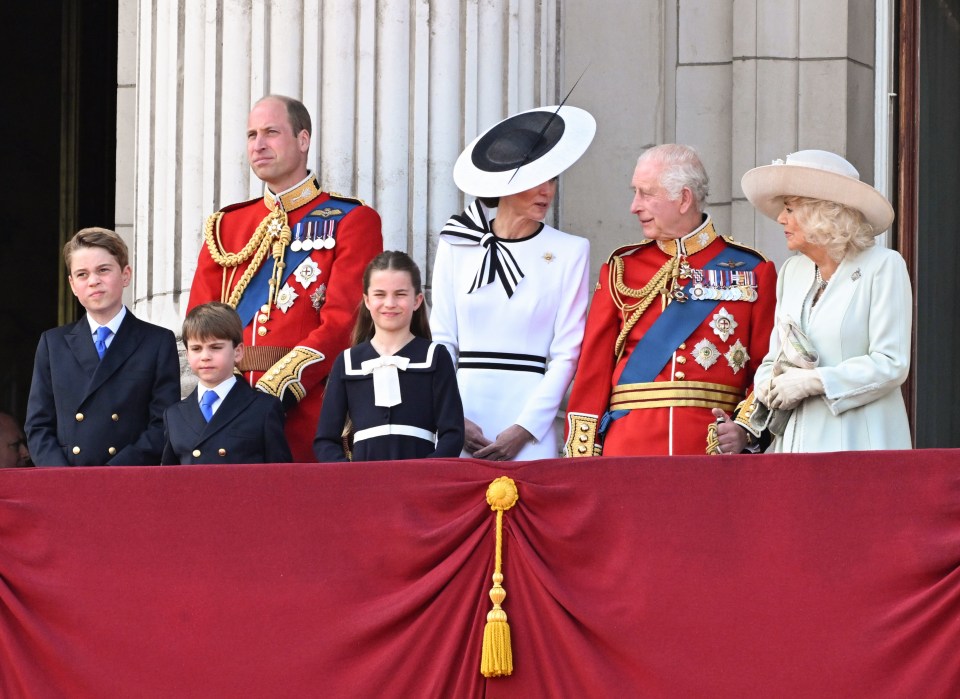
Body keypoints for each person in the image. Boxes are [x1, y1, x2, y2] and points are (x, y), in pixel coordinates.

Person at [188, 95, 383, 462]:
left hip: (307, 415)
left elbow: (345, 322)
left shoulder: (352, 220)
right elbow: (200, 323)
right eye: (251, 135)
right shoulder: (226, 227)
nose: (257, 144)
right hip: (226, 412)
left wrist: (274, 390)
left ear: (303, 140)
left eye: (271, 133)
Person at [564, 144, 777, 457]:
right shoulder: (622, 268)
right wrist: (581, 459)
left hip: (710, 450)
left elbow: (767, 367)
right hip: (627, 450)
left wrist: (745, 429)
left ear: (684, 199)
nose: (634, 206)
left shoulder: (753, 269)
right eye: (635, 192)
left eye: (646, 193)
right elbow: (592, 373)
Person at [430, 105, 595, 461]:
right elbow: (442, 341)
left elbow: (566, 354)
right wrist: (452, 416)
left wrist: (527, 427)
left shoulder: (571, 251)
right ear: (503, 184)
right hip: (462, 413)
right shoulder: (455, 244)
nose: (546, 191)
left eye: (551, 179)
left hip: (531, 422)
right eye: (535, 180)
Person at [736, 149, 912, 451]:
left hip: (858, 444)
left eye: (790, 209)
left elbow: (891, 363)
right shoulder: (793, 271)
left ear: (823, 213)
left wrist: (815, 381)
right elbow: (773, 358)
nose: (780, 219)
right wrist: (768, 385)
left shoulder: (883, 266)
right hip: (793, 444)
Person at [25, 228, 181, 466]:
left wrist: (111, 476)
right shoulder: (52, 343)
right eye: (82, 274)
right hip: (68, 484)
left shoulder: (157, 342)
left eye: (103, 270)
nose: (93, 281)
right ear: (73, 285)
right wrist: (63, 478)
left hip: (128, 481)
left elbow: (163, 424)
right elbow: (38, 426)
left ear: (125, 275)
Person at [314, 251, 464, 461]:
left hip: (420, 482)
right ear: (367, 300)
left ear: (417, 300)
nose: (390, 303)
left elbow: (453, 434)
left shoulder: (435, 356)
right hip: (363, 484)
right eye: (380, 294)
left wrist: (428, 473)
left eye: (400, 294)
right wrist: (347, 476)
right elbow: (326, 440)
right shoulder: (347, 362)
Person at [162, 303, 292, 464]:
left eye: (215, 347)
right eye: (196, 349)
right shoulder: (174, 415)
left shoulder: (263, 408)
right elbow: (169, 480)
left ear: (238, 352)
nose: (205, 356)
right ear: (187, 354)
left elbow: (280, 476)